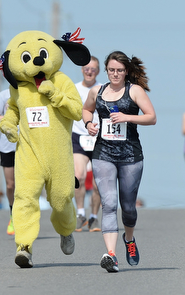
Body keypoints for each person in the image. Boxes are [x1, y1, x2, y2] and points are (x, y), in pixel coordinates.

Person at [83, 51, 156, 273]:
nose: (115, 74)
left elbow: (151, 117)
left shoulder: (134, 91)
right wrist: (89, 124)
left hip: (130, 155)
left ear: (126, 72)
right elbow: (86, 110)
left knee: (127, 208)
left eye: (120, 70)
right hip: (103, 152)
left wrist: (127, 117)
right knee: (109, 202)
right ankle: (111, 255)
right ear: (106, 70)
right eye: (112, 70)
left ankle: (130, 239)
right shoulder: (98, 91)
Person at [72, 56, 102, 232]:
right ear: (82, 70)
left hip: (99, 137)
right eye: (86, 68)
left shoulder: (103, 89)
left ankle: (94, 217)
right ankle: (81, 213)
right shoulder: (74, 89)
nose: (89, 71)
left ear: (97, 71)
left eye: (93, 69)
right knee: (79, 176)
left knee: (99, 183)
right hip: (79, 136)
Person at [0, 89, 17, 235]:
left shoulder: (31, 91)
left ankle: (25, 217)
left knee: (26, 184)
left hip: (27, 145)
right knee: (11, 184)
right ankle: (13, 214)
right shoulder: (4, 95)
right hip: (7, 146)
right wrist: (10, 117)